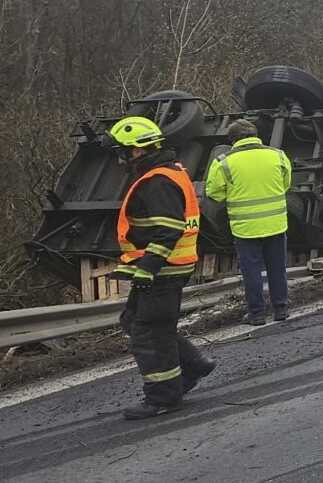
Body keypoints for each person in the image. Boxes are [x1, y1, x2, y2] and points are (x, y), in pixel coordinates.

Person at [107, 115, 215, 420]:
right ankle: (193, 365)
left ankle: (163, 397)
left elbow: (168, 229)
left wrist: (148, 268)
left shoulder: (157, 182)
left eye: (123, 152)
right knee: (134, 321)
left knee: (150, 333)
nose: (120, 160)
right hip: (168, 266)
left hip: (163, 270)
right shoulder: (169, 172)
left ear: (138, 150)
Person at [204, 119, 293, 325]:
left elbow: (214, 193)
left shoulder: (223, 161)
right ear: (255, 134)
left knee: (252, 272)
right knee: (277, 268)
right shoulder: (277, 155)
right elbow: (285, 184)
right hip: (275, 223)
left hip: (245, 228)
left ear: (232, 139)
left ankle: (257, 313)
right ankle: (281, 309)